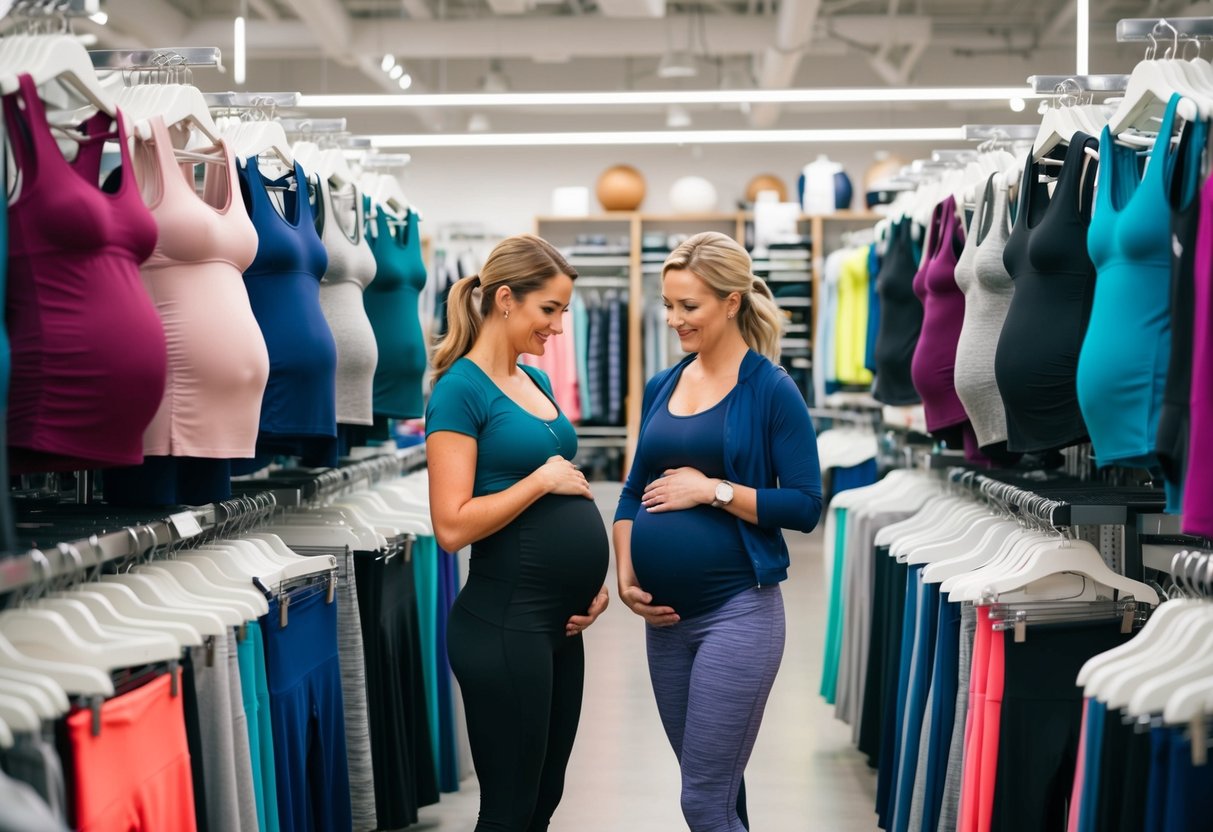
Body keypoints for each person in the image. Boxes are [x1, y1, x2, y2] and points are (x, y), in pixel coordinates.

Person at [613, 231, 823, 832]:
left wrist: (714, 490)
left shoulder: (772, 390)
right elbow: (632, 493)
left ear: (732, 302)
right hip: (665, 624)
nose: (675, 319)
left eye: (690, 306)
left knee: (702, 802)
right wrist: (626, 572)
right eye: (669, 304)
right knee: (718, 793)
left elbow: (806, 505)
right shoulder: (663, 385)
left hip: (739, 614)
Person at [425, 234, 611, 832]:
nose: (557, 328)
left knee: (544, 800)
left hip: (561, 627)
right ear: (506, 299)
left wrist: (590, 591)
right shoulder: (459, 391)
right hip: (504, 626)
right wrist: (538, 481)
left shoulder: (538, 383)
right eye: (548, 310)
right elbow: (451, 526)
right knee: (508, 810)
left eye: (562, 312)